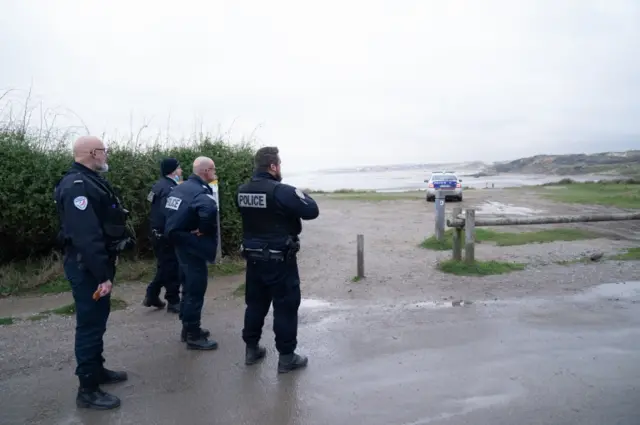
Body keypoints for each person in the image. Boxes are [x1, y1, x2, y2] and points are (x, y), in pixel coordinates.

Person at [53, 135, 135, 410]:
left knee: (97, 321)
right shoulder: (77, 186)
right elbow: (86, 236)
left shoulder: (90, 180)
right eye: (104, 151)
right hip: (87, 267)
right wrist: (102, 275)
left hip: (95, 266)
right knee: (89, 325)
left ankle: (97, 370)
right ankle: (87, 389)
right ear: (92, 153)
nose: (106, 155)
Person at [235, 146, 319, 373]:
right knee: (285, 307)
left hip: (254, 260)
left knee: (255, 304)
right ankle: (286, 357)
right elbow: (312, 210)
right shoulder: (280, 191)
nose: (280, 168)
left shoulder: (242, 190)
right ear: (273, 166)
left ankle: (251, 350)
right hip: (280, 260)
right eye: (279, 164)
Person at [164, 156, 219, 350]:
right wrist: (203, 229)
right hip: (192, 245)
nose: (215, 172)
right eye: (213, 169)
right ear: (206, 171)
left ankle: (187, 328)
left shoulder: (180, 188)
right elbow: (209, 209)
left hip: (180, 242)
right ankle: (193, 335)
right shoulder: (199, 191)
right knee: (195, 288)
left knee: (188, 286)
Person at [143, 158, 183, 313]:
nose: (181, 171)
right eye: (179, 169)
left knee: (164, 266)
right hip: (165, 234)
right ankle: (173, 301)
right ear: (173, 171)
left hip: (156, 232)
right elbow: (169, 213)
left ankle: (152, 295)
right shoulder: (170, 189)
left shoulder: (158, 186)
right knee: (173, 267)